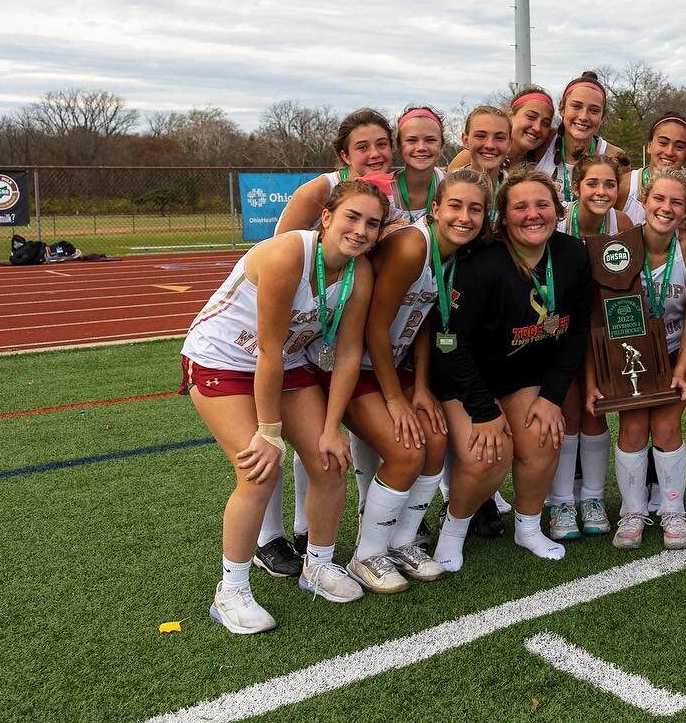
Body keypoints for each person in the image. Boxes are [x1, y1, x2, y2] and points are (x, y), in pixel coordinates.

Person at [181, 179, 385, 633]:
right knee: (259, 467)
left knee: (330, 461)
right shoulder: (286, 255)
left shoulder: (360, 272)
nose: (361, 230)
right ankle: (230, 591)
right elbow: (266, 351)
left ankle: (319, 565)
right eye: (352, 217)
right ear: (327, 216)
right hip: (224, 358)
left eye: (372, 223)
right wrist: (268, 431)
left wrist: (333, 426)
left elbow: (349, 352)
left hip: (286, 360)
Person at [250, 109, 395, 579]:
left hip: (347, 322)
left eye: (381, 144)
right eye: (362, 146)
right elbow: (281, 250)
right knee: (270, 431)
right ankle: (267, 537)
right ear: (343, 154)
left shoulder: (408, 183)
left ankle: (303, 528)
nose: (374, 153)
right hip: (303, 327)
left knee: (318, 435)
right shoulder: (319, 190)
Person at [427, 166, 593, 563]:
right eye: (521, 207)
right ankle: (453, 532)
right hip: (466, 375)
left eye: (542, 204)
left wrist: (552, 396)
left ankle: (529, 528)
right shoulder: (480, 263)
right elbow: (451, 346)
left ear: (558, 210)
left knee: (544, 435)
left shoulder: (572, 253)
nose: (533, 214)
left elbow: (577, 332)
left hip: (521, 376)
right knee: (490, 451)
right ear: (502, 218)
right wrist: (483, 411)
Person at [338, 172, 493, 591]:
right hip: (353, 364)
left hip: (396, 361)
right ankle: (367, 555)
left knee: (436, 441)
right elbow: (373, 326)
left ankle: (403, 542)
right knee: (407, 452)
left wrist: (421, 388)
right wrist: (395, 399)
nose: (464, 217)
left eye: (475, 208)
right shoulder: (412, 245)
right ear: (436, 209)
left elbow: (426, 323)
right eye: (456, 206)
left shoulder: (450, 255)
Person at [602, 167, 686, 550]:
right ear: (643, 200)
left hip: (678, 351)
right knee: (631, 429)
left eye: (676, 202)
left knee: (665, 427)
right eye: (659, 199)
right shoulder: (620, 246)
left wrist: (681, 369)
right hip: (633, 354)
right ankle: (631, 512)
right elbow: (606, 311)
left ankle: (672, 511)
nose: (666, 207)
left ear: (685, 209)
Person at [548, 154, 632, 540]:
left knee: (595, 408)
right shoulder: (556, 221)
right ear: (576, 186)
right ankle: (561, 500)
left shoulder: (623, 223)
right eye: (593, 184)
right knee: (566, 410)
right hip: (558, 329)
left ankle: (593, 498)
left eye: (609, 185)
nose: (601, 191)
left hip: (599, 328)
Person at [545, 73, 622, 205]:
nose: (584, 116)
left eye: (594, 110)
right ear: (562, 109)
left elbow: (617, 212)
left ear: (602, 117)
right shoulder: (543, 143)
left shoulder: (615, 156)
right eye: (576, 106)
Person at [619, 113, 686, 225]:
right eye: (663, 143)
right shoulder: (623, 187)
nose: (669, 152)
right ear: (649, 146)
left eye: (679, 147)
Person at [392, 107, 446, 224]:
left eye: (430, 140)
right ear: (399, 146)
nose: (421, 147)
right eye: (411, 140)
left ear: (442, 146)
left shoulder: (449, 184)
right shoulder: (384, 192)